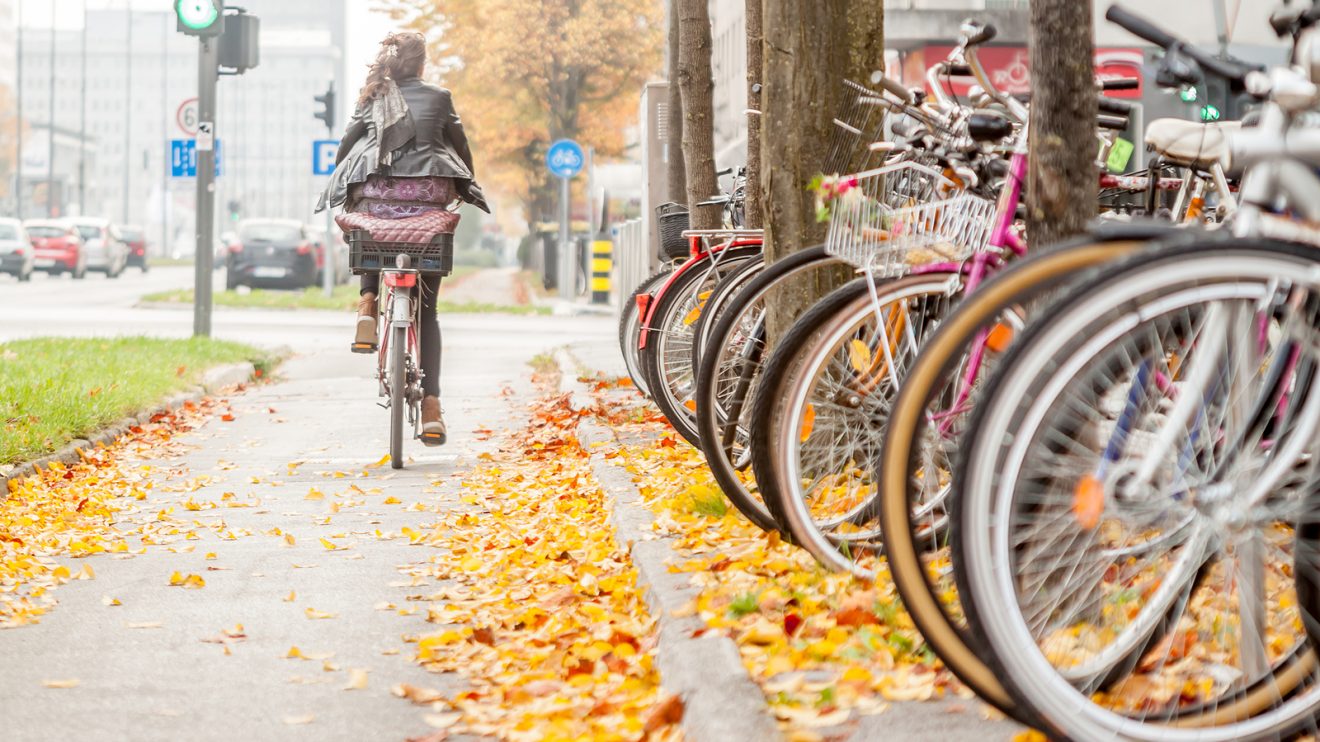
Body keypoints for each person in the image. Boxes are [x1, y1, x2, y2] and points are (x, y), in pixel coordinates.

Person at [319, 31, 489, 445]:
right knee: (427, 314)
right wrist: (465, 181)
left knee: (368, 223)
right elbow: (459, 147)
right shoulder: (440, 97)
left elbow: (346, 145)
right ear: (422, 63)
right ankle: (431, 406)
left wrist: (349, 173)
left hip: (378, 198)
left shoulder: (373, 95)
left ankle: (367, 303)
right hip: (427, 203)